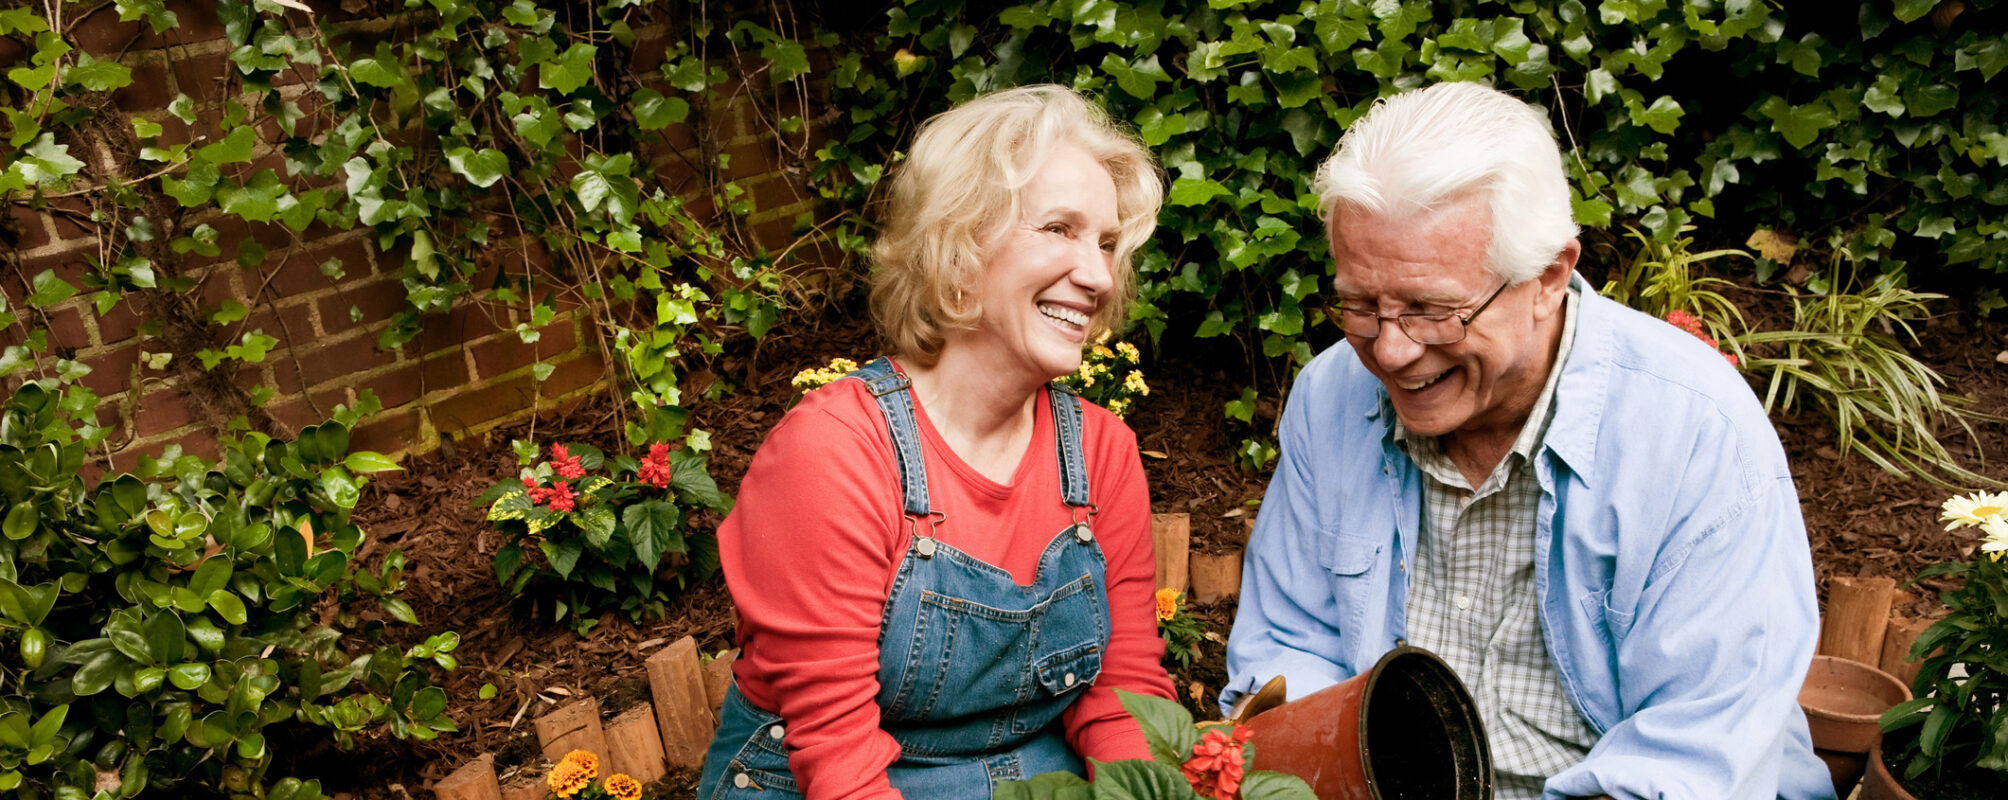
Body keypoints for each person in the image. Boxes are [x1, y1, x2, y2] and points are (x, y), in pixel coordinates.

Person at [1220, 82, 1832, 799]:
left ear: (1548, 278)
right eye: (1359, 304)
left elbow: (1693, 756)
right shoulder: (1332, 396)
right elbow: (1290, 646)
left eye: (1432, 310)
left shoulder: (1695, 432)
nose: (1389, 351)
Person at [698, 85, 1176, 799]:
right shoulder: (836, 453)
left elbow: (1124, 691)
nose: (1100, 275)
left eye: (1107, 243)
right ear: (958, 244)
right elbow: (838, 759)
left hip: (1028, 774)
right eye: (1058, 229)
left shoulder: (1103, 453)